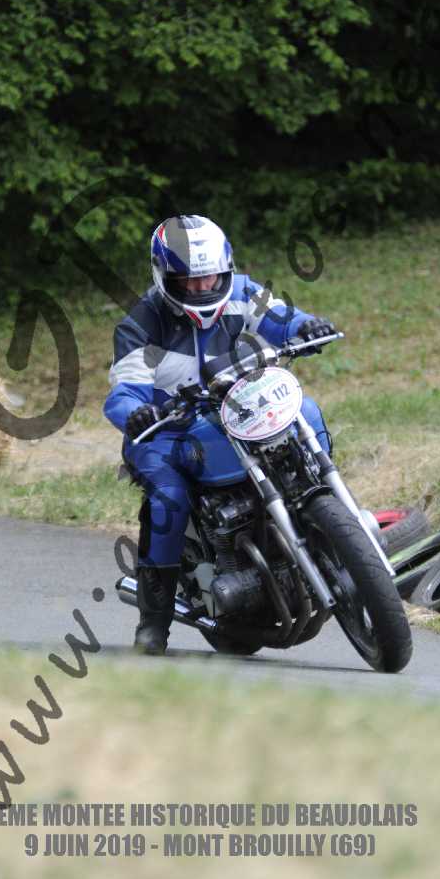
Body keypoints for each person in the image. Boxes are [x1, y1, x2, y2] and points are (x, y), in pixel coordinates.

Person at [103, 214, 336, 655]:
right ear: (163, 276)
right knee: (168, 498)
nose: (201, 288)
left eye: (209, 277)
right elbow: (123, 394)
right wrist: (137, 413)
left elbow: (282, 318)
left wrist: (306, 327)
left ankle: (327, 514)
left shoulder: (243, 291)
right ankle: (153, 621)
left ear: (225, 269)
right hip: (165, 431)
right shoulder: (141, 325)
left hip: (237, 408)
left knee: (305, 413)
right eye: (188, 281)